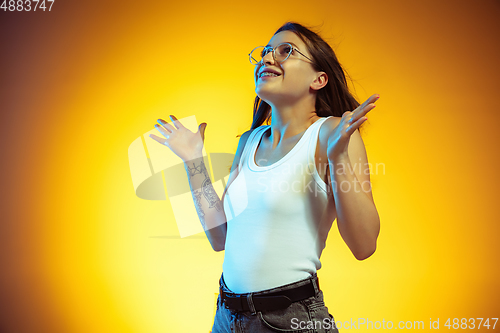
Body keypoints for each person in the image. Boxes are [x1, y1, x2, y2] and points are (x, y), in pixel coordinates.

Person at [150, 22, 380, 333]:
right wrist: (194, 161)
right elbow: (220, 238)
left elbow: (364, 245)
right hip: (226, 316)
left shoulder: (334, 134)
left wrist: (338, 156)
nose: (268, 58)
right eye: (266, 52)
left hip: (290, 320)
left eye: (286, 51)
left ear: (319, 79)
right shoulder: (250, 140)